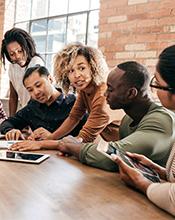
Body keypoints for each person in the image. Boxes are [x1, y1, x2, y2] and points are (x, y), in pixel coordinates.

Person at [11, 61, 175, 171]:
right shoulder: (128, 120)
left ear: (131, 93)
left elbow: (110, 157)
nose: (105, 94)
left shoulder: (160, 121)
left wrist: (65, 145)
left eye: (110, 89)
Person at [112, 45, 175, 216]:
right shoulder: (128, 119)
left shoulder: (162, 119)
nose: (153, 90)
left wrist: (140, 182)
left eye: (157, 84)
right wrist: (158, 170)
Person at [25, 43, 119, 143]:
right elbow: (73, 117)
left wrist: (41, 144)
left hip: (128, 145)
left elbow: (84, 138)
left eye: (81, 68)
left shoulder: (103, 94)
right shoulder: (84, 90)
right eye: (70, 71)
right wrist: (49, 139)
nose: (76, 75)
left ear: (93, 67)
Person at [0, 65, 87, 140]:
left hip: (68, 157)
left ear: (50, 79)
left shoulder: (75, 103)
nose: (36, 92)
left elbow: (87, 138)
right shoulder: (32, 107)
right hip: (39, 155)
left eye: (38, 85)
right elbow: (7, 123)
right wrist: (11, 130)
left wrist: (52, 137)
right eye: (30, 90)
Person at [1, 27, 44, 116]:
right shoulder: (12, 67)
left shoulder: (36, 62)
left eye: (20, 51)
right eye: (12, 54)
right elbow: (13, 96)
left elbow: (36, 97)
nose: (17, 56)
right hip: (27, 112)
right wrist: (12, 120)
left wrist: (25, 120)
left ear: (26, 46)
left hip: (40, 112)